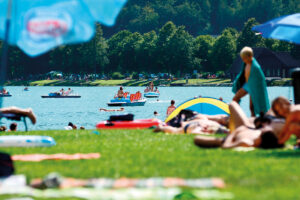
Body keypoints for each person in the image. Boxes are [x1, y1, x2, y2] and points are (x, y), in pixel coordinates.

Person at [194, 102, 283, 149]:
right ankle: (199, 116)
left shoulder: (245, 142)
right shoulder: (261, 132)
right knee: (232, 105)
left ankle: (197, 116)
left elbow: (226, 146)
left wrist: (232, 134)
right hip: (246, 127)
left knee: (197, 139)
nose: (265, 127)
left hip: (236, 132)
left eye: (265, 129)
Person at [232, 47, 270, 117]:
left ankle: (255, 120)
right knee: (235, 98)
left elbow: (260, 80)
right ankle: (237, 116)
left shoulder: (256, 67)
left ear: (250, 56)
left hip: (254, 87)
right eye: (242, 58)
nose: (243, 60)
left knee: (252, 107)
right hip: (247, 85)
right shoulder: (246, 63)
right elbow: (242, 74)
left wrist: (255, 89)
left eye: (244, 58)